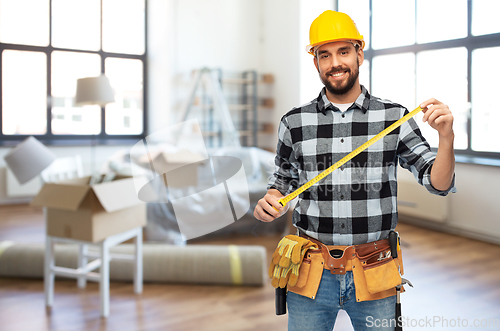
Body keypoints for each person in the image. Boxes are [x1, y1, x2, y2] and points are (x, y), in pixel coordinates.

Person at [253, 10, 456, 331]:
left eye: (344, 51)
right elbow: (282, 183)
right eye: (325, 55)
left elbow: (438, 183)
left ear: (359, 53)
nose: (335, 62)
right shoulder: (294, 122)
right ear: (316, 62)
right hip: (310, 272)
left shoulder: (394, 117)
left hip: (375, 270)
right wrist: (271, 201)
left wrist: (446, 138)